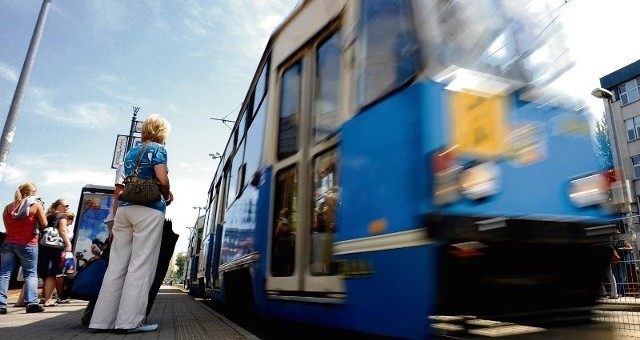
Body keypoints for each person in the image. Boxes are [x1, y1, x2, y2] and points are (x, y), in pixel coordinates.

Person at [90, 114, 173, 333]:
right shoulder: (158, 150)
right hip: (149, 210)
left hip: (125, 211)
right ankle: (129, 322)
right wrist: (167, 193)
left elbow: (120, 189)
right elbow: (162, 179)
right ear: (162, 132)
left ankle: (101, 321)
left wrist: (114, 220)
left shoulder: (131, 152)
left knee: (116, 266)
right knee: (140, 265)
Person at [80, 162, 124, 326]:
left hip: (116, 222)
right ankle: (96, 316)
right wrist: (116, 224)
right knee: (115, 270)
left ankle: (92, 315)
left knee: (111, 269)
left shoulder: (127, 162)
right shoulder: (133, 162)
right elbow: (118, 194)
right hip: (120, 223)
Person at [0, 182, 48, 314]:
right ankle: (32, 303)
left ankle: (1, 305)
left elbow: (7, 228)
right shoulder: (36, 205)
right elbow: (44, 223)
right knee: (30, 273)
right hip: (28, 244)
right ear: (32, 192)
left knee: (4, 274)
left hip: (8, 243)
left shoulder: (8, 208)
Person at [38, 199, 73, 307]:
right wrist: (68, 244)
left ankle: (43, 297)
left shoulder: (47, 215)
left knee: (43, 273)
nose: (68, 208)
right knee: (51, 274)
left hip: (43, 246)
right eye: (66, 205)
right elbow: (62, 230)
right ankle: (48, 300)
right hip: (54, 248)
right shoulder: (62, 216)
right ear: (59, 206)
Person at [55, 212, 75, 304]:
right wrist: (68, 243)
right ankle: (60, 295)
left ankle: (62, 295)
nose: (71, 220)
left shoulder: (67, 228)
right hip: (64, 254)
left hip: (68, 254)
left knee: (68, 275)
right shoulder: (63, 229)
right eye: (70, 218)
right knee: (61, 275)